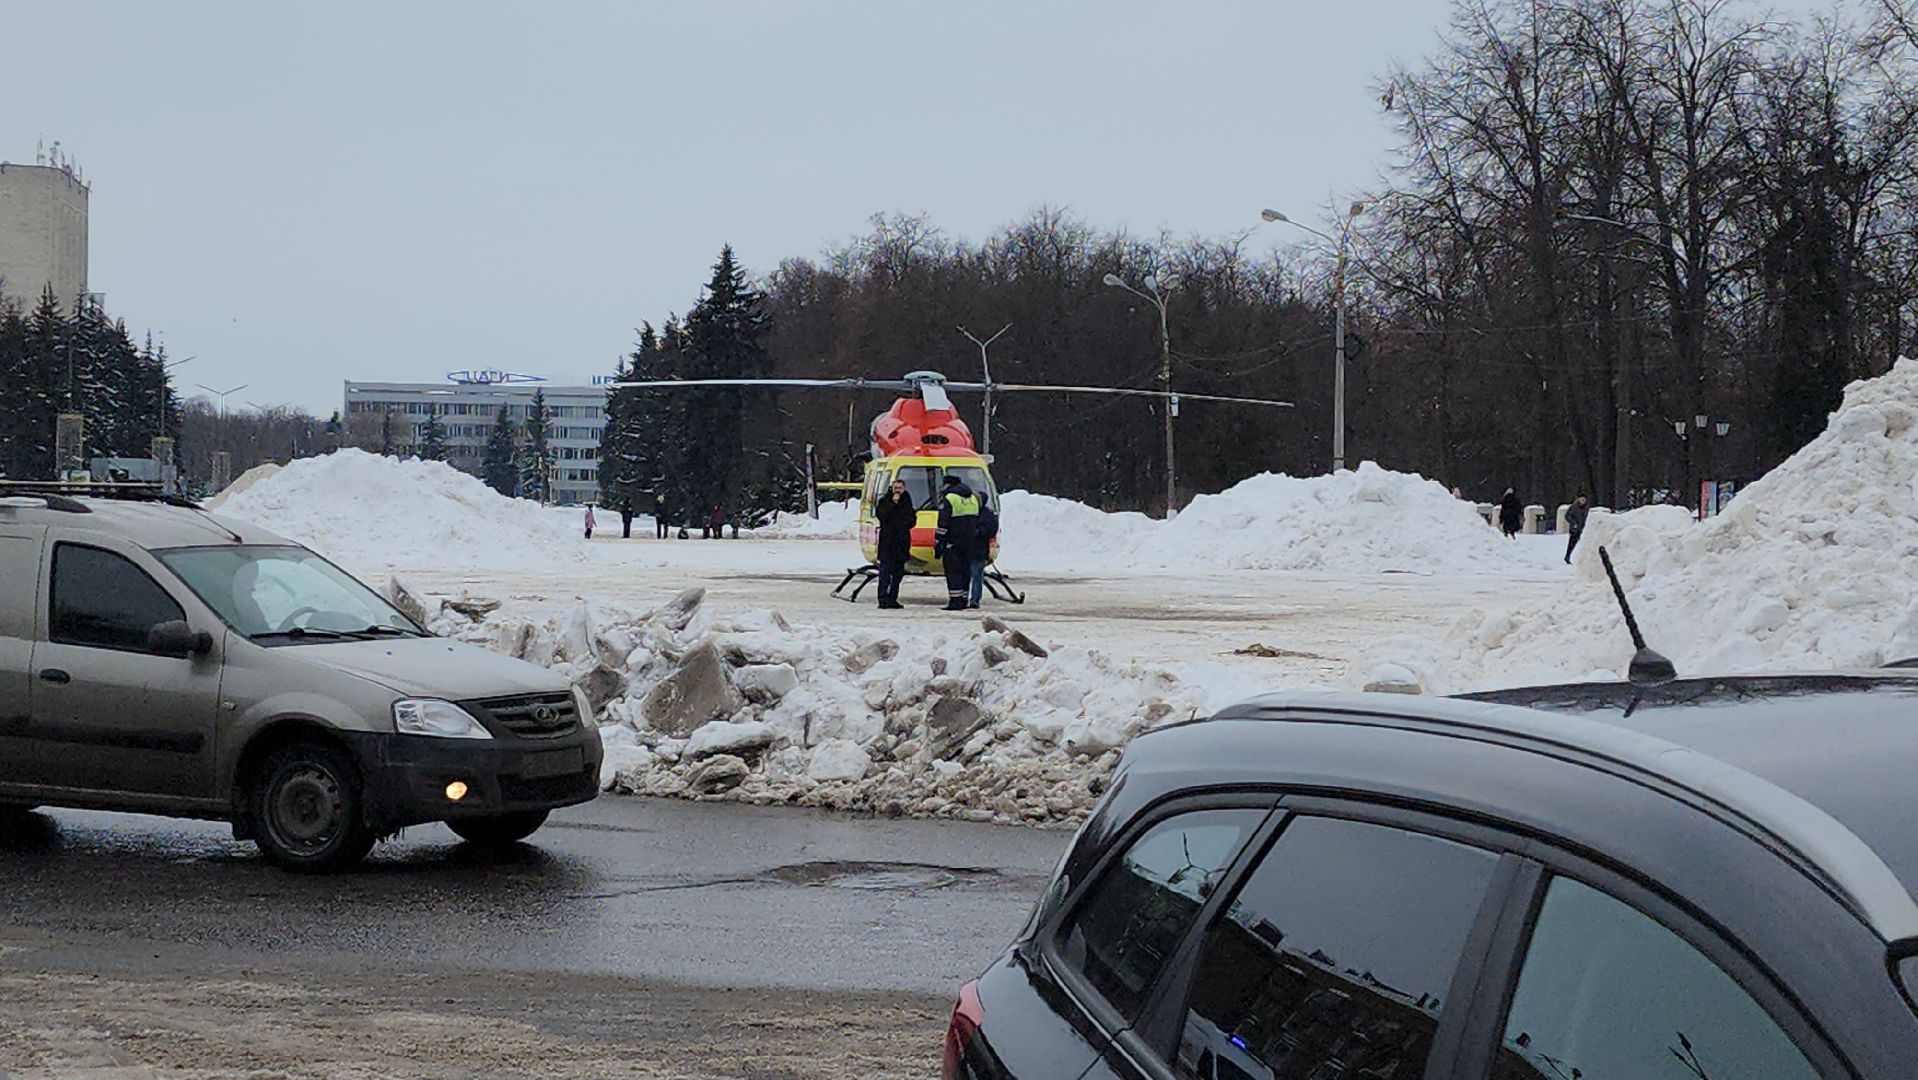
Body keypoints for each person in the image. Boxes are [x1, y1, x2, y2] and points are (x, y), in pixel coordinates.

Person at [934, 475, 980, 611]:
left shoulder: (949, 498)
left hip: (952, 541)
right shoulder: (972, 498)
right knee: (965, 570)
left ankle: (955, 600)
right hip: (969, 541)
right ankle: (964, 598)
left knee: (953, 571)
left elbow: (943, 523)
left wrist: (938, 541)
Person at [873, 477, 917, 610]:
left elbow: (911, 520)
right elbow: (882, 516)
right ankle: (882, 599)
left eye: (900, 488)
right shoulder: (884, 501)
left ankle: (893, 598)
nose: (897, 491)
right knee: (885, 573)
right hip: (887, 543)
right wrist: (892, 504)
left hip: (902, 542)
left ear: (904, 489)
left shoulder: (907, 502)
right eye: (895, 488)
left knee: (898, 574)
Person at [967, 499, 999, 609]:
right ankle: (966, 598)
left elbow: (992, 529)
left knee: (976, 576)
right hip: (970, 549)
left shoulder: (985, 515)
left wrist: (980, 532)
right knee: (971, 575)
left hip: (978, 550)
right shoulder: (974, 513)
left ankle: (975, 599)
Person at [1564, 494, 1590, 564]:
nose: (1583, 501)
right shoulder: (1574, 507)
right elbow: (1567, 515)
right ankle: (1567, 556)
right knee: (1572, 543)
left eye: (1584, 500)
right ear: (1578, 499)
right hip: (1574, 529)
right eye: (1582, 499)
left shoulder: (1586, 508)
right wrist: (1573, 523)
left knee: (1582, 544)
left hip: (1582, 529)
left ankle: (1581, 559)